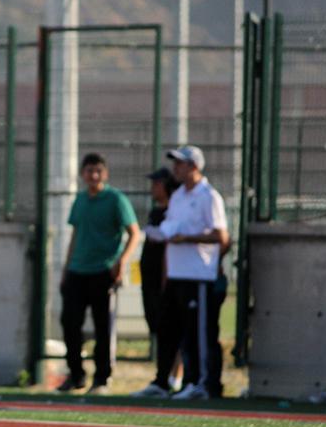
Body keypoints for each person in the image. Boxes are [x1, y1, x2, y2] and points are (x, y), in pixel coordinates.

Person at [134, 145, 229, 400]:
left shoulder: (209, 196)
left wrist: (187, 238)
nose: (175, 168)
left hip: (198, 275)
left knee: (199, 333)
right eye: (175, 163)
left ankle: (203, 384)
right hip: (176, 275)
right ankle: (164, 382)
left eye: (180, 163)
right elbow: (170, 232)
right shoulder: (177, 197)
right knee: (169, 331)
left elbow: (221, 236)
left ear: (194, 166)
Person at [57, 153, 141, 395]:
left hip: (103, 271)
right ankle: (76, 375)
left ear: (105, 173)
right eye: (89, 171)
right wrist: (66, 269)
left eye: (98, 171)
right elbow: (75, 236)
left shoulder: (116, 199)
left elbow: (134, 233)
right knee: (69, 323)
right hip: (77, 271)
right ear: (82, 174)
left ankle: (102, 379)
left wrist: (121, 261)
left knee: (103, 327)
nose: (93, 175)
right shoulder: (80, 200)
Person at [138, 167, 183, 390]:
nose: (153, 188)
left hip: (166, 279)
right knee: (158, 327)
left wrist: (166, 280)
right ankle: (164, 376)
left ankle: (175, 376)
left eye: (157, 183)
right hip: (150, 279)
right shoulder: (155, 212)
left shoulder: (175, 211)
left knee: (172, 329)